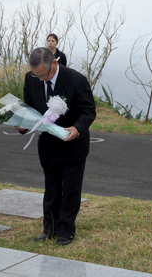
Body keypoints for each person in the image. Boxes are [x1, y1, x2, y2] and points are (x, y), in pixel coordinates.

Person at [20, 47, 96, 246]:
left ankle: (65, 231)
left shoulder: (76, 80)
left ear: (54, 63)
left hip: (72, 144)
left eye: (44, 75)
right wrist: (21, 123)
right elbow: (29, 108)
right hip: (47, 144)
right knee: (51, 188)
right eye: (37, 76)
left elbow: (88, 110)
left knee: (70, 188)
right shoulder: (31, 79)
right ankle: (49, 228)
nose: (41, 80)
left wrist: (78, 128)